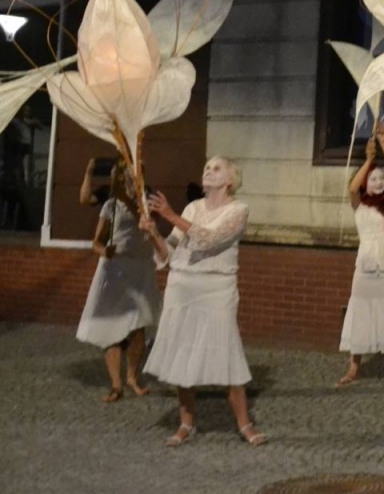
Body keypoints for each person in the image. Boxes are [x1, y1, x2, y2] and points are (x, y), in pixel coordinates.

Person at [139, 156, 265, 447]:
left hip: (216, 289)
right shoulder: (192, 208)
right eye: (206, 166)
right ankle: (186, 423)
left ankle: (245, 424)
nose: (209, 170)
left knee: (227, 352)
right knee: (183, 356)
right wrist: (153, 232)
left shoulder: (239, 209)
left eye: (216, 168)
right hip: (182, 286)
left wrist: (169, 214)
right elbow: (169, 250)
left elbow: (210, 239)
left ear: (230, 181)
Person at [335, 123, 384, 388]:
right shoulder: (358, 205)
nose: (380, 182)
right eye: (374, 179)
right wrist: (368, 160)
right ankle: (353, 368)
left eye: (380, 179)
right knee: (359, 308)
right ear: (366, 184)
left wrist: (383, 143)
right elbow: (351, 188)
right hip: (366, 263)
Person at [75, 158, 160, 402]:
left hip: (139, 268)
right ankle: (116, 384)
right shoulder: (111, 203)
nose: (133, 177)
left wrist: (129, 197)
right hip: (115, 269)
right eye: (128, 174)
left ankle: (133, 376)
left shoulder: (148, 199)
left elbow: (146, 223)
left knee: (138, 324)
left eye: (137, 173)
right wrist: (105, 252)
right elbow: (96, 242)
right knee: (110, 323)